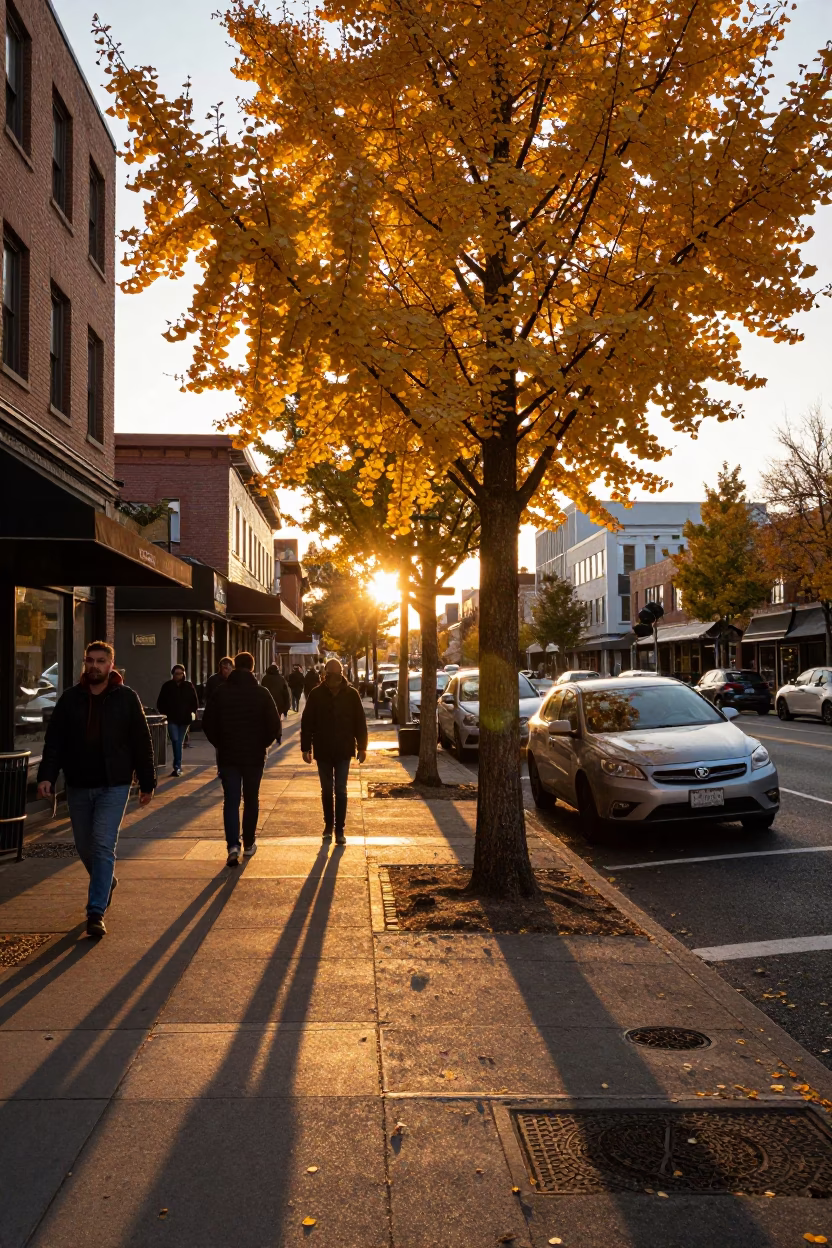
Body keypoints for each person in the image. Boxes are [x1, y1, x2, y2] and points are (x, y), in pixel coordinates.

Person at [36, 641, 155, 938]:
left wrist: (147, 781)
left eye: (101, 661)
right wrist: (47, 775)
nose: (94, 666)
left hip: (113, 785)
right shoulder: (70, 699)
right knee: (84, 846)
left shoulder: (126, 698)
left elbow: (142, 741)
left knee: (102, 845)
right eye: (90, 660)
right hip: (78, 784)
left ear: (111, 665)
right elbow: (55, 742)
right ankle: (106, 880)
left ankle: (95, 911)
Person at [202, 651, 281, 867]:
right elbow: (274, 725)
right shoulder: (262, 693)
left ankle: (232, 846)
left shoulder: (221, 692)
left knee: (231, 800)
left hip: (229, 755)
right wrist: (262, 743)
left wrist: (220, 742)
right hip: (254, 755)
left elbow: (208, 723)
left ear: (235, 666)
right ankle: (249, 842)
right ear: (253, 668)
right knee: (251, 799)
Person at [301, 658, 367, 844]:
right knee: (327, 790)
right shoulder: (316, 694)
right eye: (329, 674)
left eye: (336, 674)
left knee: (341, 789)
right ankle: (328, 826)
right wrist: (306, 747)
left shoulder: (351, 694)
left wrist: (362, 747)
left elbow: (359, 722)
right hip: (323, 749)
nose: (332, 678)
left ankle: (339, 829)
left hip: (344, 749)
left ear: (341, 674)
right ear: (325, 675)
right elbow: (307, 723)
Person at [156, 664, 199, 776]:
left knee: (179, 741)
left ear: (183, 674)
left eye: (180, 673)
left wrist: (191, 711)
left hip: (184, 719)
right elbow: (161, 701)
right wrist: (165, 713)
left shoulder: (188, 686)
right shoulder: (167, 686)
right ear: (173, 674)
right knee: (175, 740)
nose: (178, 676)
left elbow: (194, 701)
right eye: (176, 673)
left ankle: (177, 766)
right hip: (172, 718)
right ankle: (177, 766)